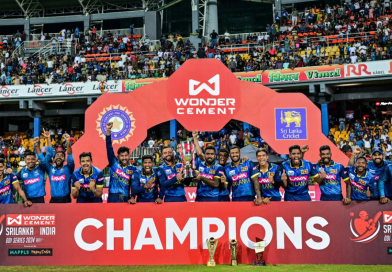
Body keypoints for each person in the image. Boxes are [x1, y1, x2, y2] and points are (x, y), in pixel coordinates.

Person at [192, 130, 231, 201]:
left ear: (215, 156)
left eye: (212, 154)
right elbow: (194, 177)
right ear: (205, 155)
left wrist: (202, 178)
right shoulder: (200, 164)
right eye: (207, 154)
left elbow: (216, 184)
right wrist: (192, 174)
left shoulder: (218, 167)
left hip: (213, 198)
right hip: (199, 197)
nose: (209, 156)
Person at [38, 129, 74, 203]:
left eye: (61, 156)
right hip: (53, 200)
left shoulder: (68, 168)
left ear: (64, 159)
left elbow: (70, 157)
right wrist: (48, 138)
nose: (59, 157)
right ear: (54, 159)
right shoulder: (50, 169)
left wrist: (68, 143)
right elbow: (48, 155)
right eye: (57, 155)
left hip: (66, 199)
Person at [8, 138, 46, 203]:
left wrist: (36, 145)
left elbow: (42, 159)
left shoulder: (40, 168)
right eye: (28, 159)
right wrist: (10, 172)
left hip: (39, 199)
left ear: (36, 160)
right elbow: (13, 178)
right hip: (26, 200)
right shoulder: (22, 171)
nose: (30, 161)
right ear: (25, 160)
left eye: (32, 159)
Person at [106, 122, 136, 203]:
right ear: (118, 156)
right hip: (113, 196)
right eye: (122, 156)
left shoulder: (133, 169)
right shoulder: (113, 163)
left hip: (126, 197)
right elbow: (109, 148)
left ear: (129, 156)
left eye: (126, 155)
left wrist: (133, 197)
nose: (124, 158)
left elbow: (134, 185)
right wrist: (108, 131)